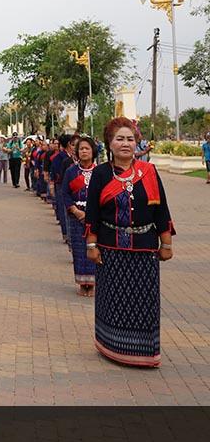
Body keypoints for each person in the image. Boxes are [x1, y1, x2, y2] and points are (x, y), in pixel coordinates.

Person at [85, 117, 174, 367]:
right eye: (119, 139)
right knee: (114, 299)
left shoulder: (149, 172)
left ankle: (145, 353)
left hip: (144, 248)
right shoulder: (101, 174)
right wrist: (91, 246)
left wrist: (166, 244)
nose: (126, 144)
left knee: (144, 300)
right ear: (109, 144)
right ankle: (112, 346)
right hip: (110, 248)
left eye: (130, 139)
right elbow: (91, 213)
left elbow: (162, 211)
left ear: (137, 143)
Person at [62, 136, 97, 297]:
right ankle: (82, 283)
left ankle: (93, 283)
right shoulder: (71, 172)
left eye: (87, 148)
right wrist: (76, 211)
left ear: (93, 151)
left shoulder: (100, 172)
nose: (84, 151)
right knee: (79, 250)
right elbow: (65, 194)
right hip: (76, 217)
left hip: (95, 217)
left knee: (94, 248)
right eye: (81, 149)